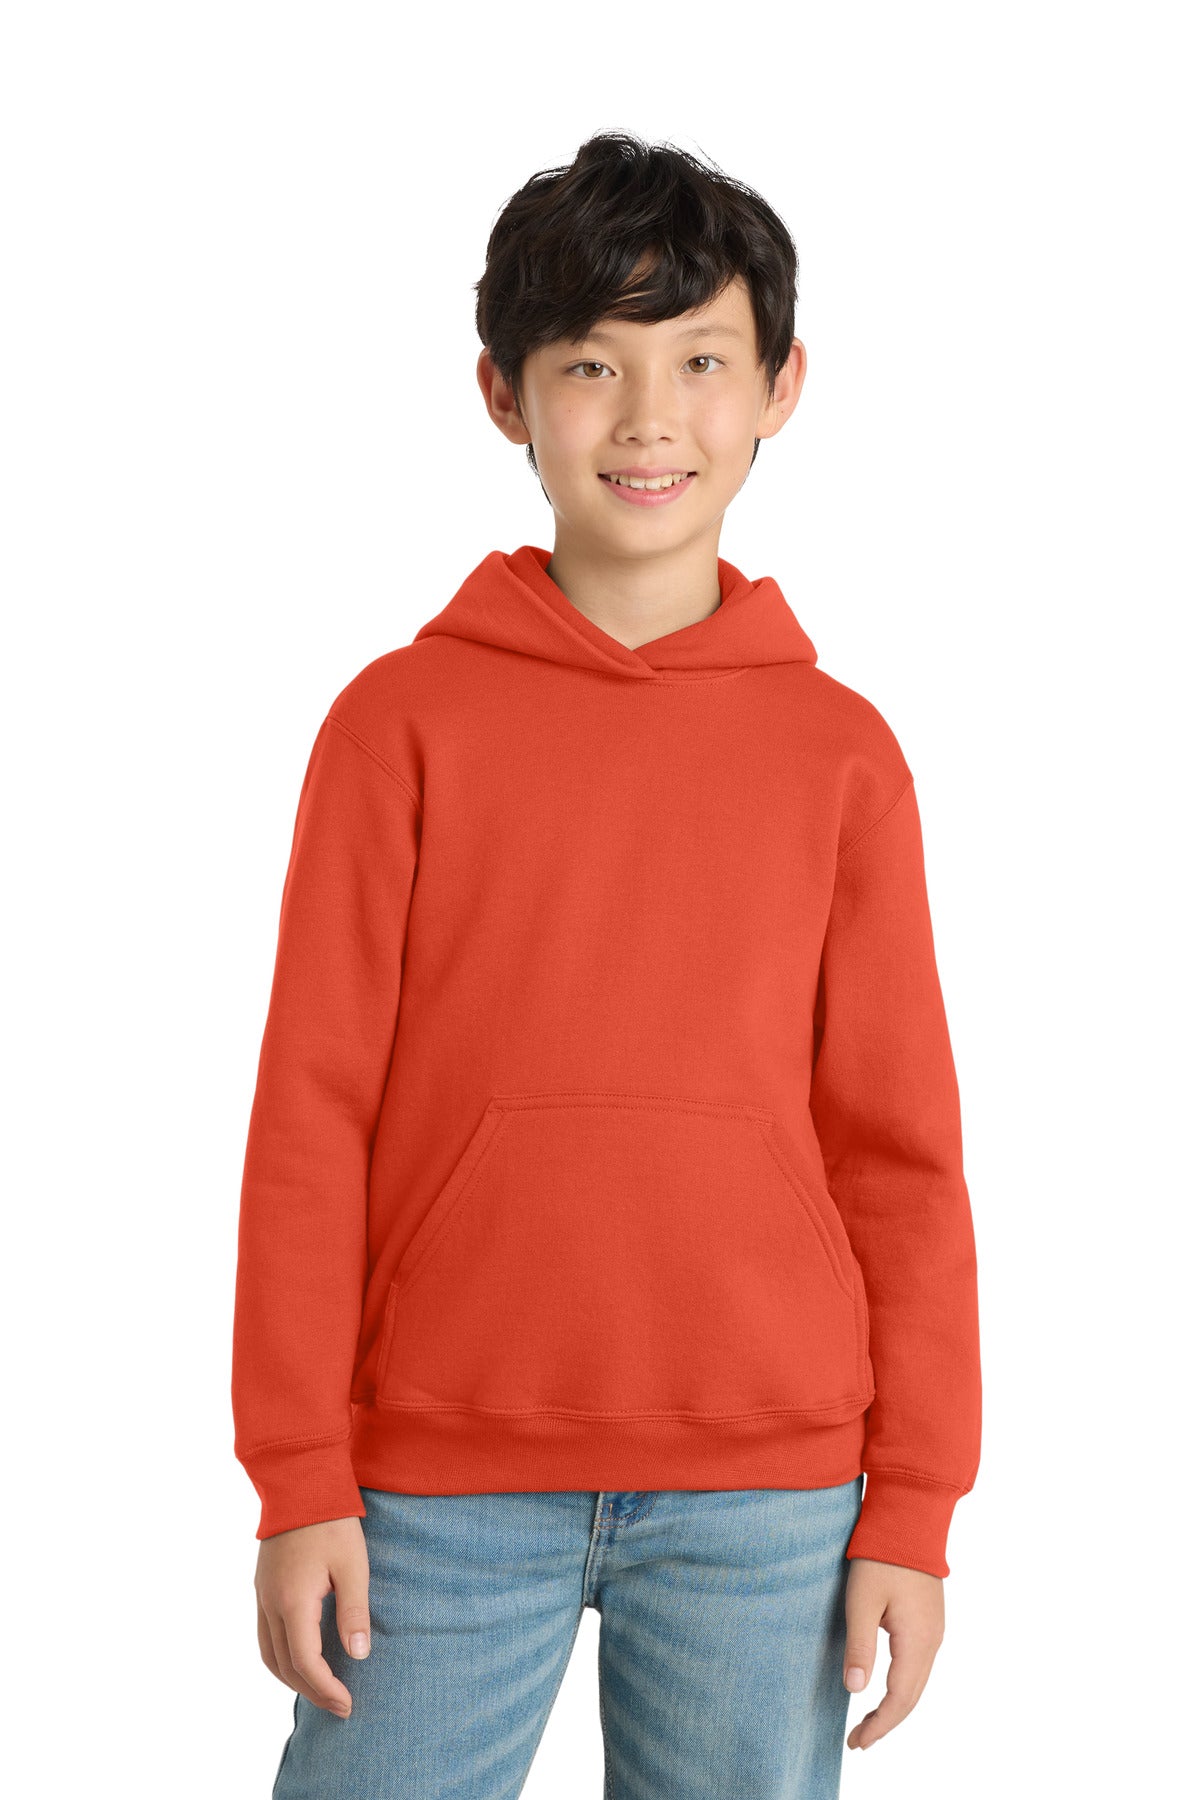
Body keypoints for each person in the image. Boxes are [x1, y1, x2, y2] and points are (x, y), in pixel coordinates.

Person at [232, 128, 982, 1799]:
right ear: (505, 396)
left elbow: (901, 1157)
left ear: (781, 388)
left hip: (770, 1495)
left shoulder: (842, 757)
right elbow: (309, 1122)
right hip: (430, 1483)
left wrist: (917, 1504)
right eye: (590, 364)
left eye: (701, 361)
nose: (649, 417)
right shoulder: (396, 728)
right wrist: (297, 1474)